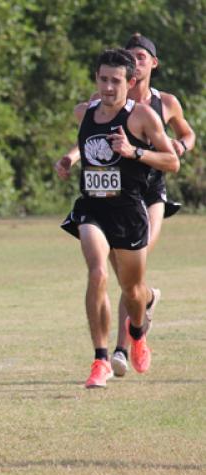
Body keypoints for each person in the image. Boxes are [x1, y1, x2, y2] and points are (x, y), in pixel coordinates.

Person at [56, 35, 196, 378]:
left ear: (130, 81)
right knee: (98, 272)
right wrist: (69, 160)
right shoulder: (84, 112)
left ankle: (136, 330)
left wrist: (133, 151)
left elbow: (171, 162)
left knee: (132, 290)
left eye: (115, 80)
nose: (107, 86)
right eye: (102, 79)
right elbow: (85, 144)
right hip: (93, 208)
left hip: (132, 209)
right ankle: (101, 359)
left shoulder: (144, 116)